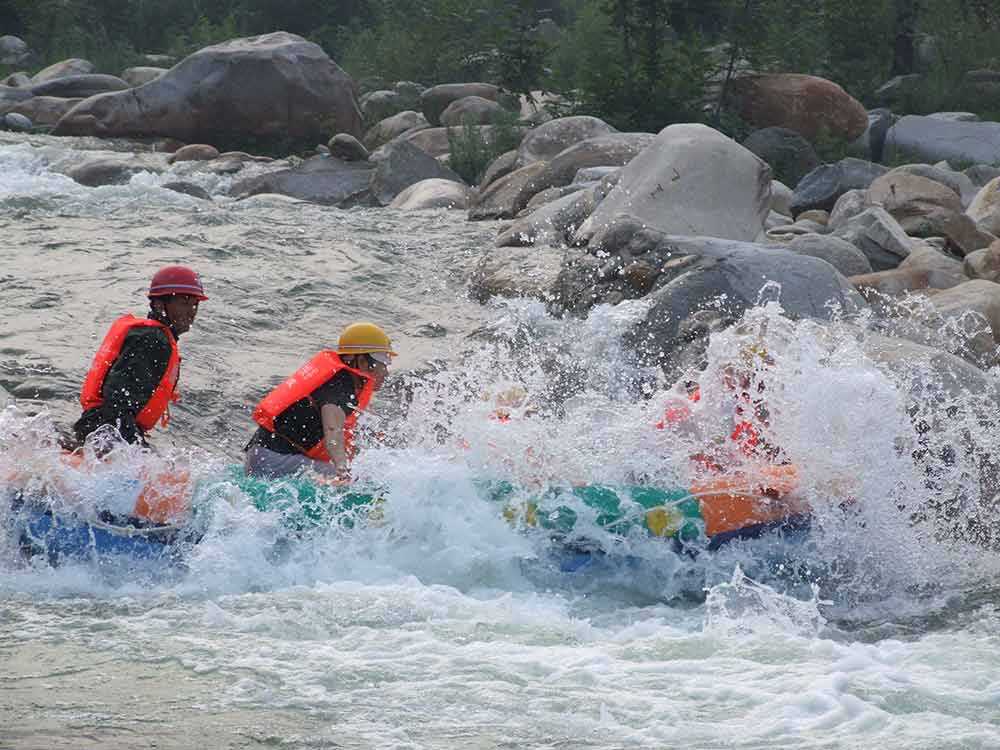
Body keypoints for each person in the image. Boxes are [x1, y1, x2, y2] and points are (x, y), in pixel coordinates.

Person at [73, 265, 207, 448]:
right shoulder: (153, 340)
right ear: (160, 304)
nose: (191, 312)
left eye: (195, 304)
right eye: (184, 302)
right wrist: (137, 450)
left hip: (99, 427)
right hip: (105, 431)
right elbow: (117, 402)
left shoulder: (154, 336)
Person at [244, 322, 395, 480]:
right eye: (383, 362)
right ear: (362, 361)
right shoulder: (341, 387)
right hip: (272, 461)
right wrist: (342, 470)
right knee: (357, 480)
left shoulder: (340, 382)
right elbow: (332, 430)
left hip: (262, 456)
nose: (386, 371)